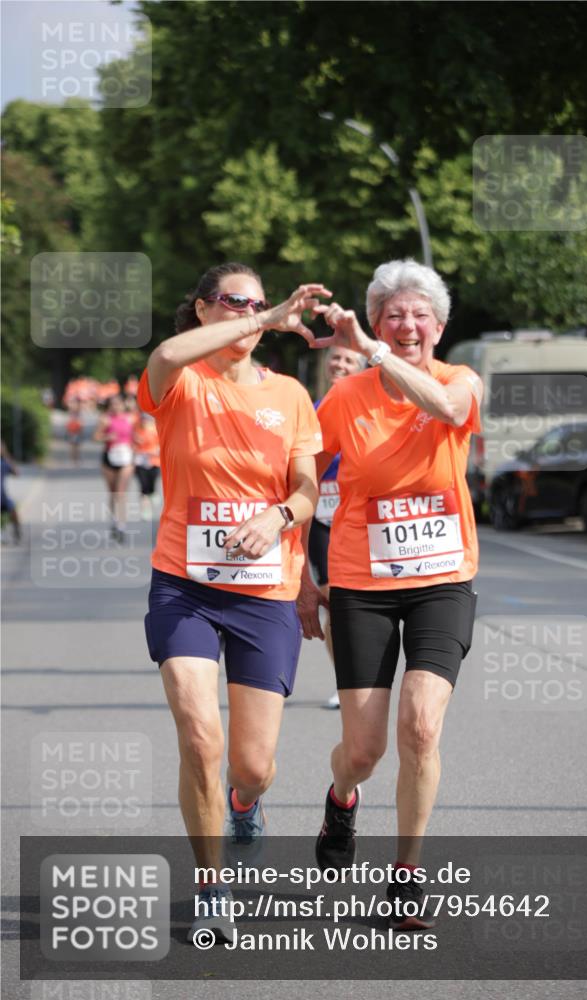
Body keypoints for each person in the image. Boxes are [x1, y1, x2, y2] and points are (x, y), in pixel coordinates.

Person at [137, 262, 329, 943]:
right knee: (198, 734)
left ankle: (245, 802)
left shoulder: (290, 395)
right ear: (200, 309)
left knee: (252, 765)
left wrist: (277, 518)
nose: (246, 312)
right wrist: (267, 317)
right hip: (183, 585)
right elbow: (162, 353)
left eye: (254, 303)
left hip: (263, 594)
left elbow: (307, 489)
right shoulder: (180, 380)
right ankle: (211, 885)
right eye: (231, 302)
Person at [299, 259, 483, 931]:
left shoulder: (459, 381)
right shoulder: (344, 401)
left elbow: (445, 409)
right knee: (365, 750)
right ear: (376, 321)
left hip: (441, 581)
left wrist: (371, 352)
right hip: (361, 587)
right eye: (392, 315)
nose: (407, 326)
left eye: (418, 315)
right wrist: (298, 576)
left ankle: (406, 876)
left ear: (437, 326)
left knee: (421, 724)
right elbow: (298, 485)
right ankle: (341, 798)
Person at [307, 347, 365, 709]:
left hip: (358, 515)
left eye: (348, 360)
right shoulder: (313, 409)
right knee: (332, 597)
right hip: (319, 516)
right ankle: (343, 681)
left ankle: (365, 679)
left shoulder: (366, 407)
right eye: (335, 359)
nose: (340, 365)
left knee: (358, 600)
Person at [93, 394, 135, 542]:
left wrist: (137, 441)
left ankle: (121, 524)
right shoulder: (105, 419)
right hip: (109, 458)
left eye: (119, 404)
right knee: (112, 492)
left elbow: (136, 435)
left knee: (121, 492)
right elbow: (96, 437)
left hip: (126, 458)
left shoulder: (130, 418)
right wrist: (107, 437)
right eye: (113, 404)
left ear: (123, 405)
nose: (116, 407)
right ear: (109, 406)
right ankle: (114, 519)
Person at [133, 412, 161, 519]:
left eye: (147, 419)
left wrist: (155, 450)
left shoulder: (155, 430)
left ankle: (153, 492)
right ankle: (145, 509)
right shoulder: (136, 429)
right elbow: (131, 443)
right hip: (140, 461)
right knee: (143, 487)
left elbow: (161, 444)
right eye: (143, 419)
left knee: (152, 484)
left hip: (154, 461)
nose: (145, 422)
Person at [1, 441, 21, 543]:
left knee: (13, 510)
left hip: (2, 498)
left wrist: (7, 456)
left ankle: (17, 533)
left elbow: (16, 473)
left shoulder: (4, 463)